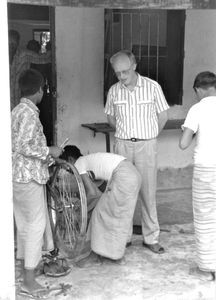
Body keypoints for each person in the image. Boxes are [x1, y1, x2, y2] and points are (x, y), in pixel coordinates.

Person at [105, 50, 169, 254]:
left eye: (125, 72)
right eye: (118, 73)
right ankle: (124, 237)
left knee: (147, 192)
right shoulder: (114, 91)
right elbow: (111, 118)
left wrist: (149, 136)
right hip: (123, 146)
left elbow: (163, 116)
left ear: (134, 66)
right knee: (123, 192)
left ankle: (151, 238)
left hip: (146, 145)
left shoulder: (152, 87)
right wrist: (125, 134)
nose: (122, 77)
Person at [11, 68, 63, 297]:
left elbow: (21, 147)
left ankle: (26, 270)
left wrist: (47, 157)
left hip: (18, 176)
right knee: (34, 226)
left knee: (24, 225)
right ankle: (29, 281)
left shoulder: (16, 110)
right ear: (39, 90)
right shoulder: (29, 114)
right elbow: (24, 146)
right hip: (28, 177)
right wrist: (49, 149)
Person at [60, 145, 141, 263]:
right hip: (131, 173)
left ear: (71, 160)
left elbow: (93, 193)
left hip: (123, 176)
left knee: (99, 215)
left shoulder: (79, 164)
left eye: (66, 165)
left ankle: (96, 255)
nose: (68, 170)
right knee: (117, 216)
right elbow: (97, 193)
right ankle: (115, 254)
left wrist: (79, 210)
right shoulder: (88, 162)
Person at [179, 71, 216, 281]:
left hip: (205, 169)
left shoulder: (197, 108)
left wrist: (192, 132)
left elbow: (183, 144)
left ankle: (209, 266)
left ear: (198, 90)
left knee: (205, 217)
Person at [8, 30, 51, 110]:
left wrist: (57, 49)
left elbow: (43, 58)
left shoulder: (24, 55)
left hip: (18, 101)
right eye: (9, 43)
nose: (11, 47)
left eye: (14, 44)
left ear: (18, 43)